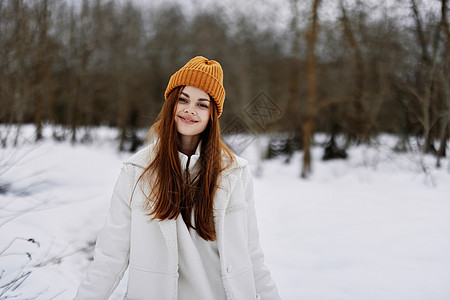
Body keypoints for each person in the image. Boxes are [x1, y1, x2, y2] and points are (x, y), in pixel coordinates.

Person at [74, 56, 280, 300]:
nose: (190, 109)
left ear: (213, 115)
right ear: (171, 104)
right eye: (183, 99)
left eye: (202, 104)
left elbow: (251, 254)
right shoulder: (136, 172)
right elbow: (109, 258)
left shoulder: (235, 173)